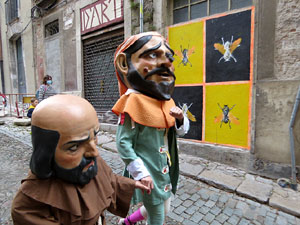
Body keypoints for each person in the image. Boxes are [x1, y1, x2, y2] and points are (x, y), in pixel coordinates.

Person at [11, 94, 150, 225]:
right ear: (47, 151)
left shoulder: (89, 162)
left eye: (94, 137)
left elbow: (107, 179)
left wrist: (132, 184)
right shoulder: (30, 204)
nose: (94, 152)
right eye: (74, 147)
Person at [112, 32, 190, 225]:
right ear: (125, 63)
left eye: (169, 57)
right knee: (158, 215)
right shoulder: (132, 102)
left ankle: (128, 221)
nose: (166, 63)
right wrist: (141, 173)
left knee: (165, 206)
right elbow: (123, 143)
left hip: (165, 170)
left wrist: (180, 119)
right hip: (148, 172)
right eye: (153, 55)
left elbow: (179, 132)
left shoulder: (164, 100)